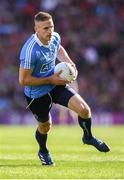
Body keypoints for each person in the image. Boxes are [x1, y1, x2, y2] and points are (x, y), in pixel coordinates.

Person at [19, 11, 110, 166]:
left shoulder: (55, 37)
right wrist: (50, 79)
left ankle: (88, 137)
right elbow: (23, 80)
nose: (50, 31)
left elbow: (58, 48)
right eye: (45, 28)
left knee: (84, 110)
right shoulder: (29, 51)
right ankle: (43, 151)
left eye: (51, 27)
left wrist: (70, 63)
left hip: (55, 84)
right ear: (36, 30)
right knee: (45, 126)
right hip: (36, 93)